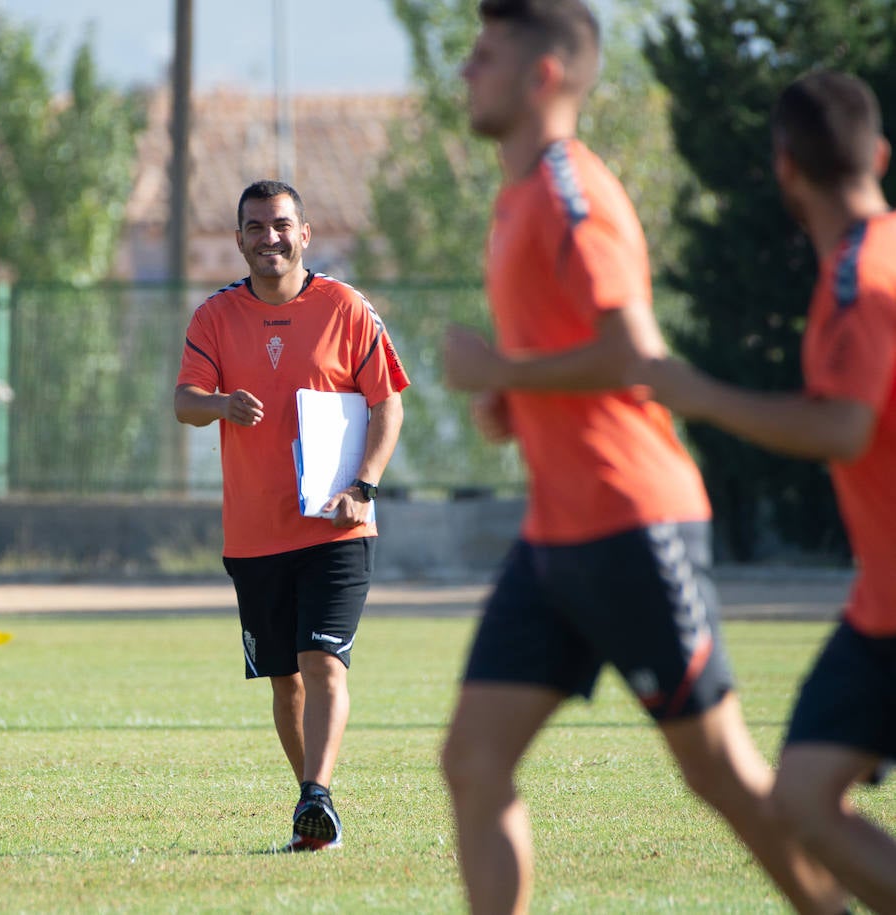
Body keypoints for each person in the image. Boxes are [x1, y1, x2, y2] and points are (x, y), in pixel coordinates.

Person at [437, 3, 847, 913]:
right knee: (472, 759)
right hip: (555, 535)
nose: (465, 71)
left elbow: (635, 352)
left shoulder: (570, 191)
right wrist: (516, 394)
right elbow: (577, 358)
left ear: (543, 75)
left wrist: (500, 367)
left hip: (632, 520)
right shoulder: (515, 199)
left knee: (723, 776)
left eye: (485, 54)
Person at [638, 69, 896, 913]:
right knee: (803, 799)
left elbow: (841, 428)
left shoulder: (863, 283)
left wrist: (701, 395)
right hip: (879, 606)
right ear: (879, 155)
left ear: (784, 168)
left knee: (806, 801)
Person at [174, 179, 409, 852]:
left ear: (305, 234)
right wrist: (221, 405)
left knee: (321, 659)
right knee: (285, 681)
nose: (268, 237)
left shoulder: (346, 307)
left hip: (338, 525)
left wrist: (363, 485)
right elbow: (185, 401)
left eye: (281, 224)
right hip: (254, 535)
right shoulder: (215, 316)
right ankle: (316, 814)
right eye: (255, 226)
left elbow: (388, 403)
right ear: (239, 238)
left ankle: (317, 795)